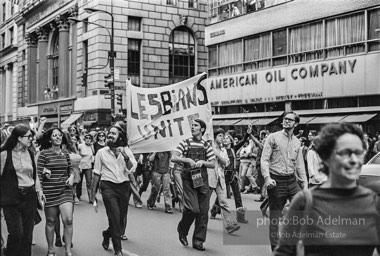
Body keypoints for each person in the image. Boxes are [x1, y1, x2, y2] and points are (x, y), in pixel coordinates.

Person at [273, 122, 380, 256]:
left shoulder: (373, 202)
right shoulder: (305, 201)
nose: (353, 160)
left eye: (358, 152)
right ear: (327, 157)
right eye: (345, 153)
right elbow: (284, 252)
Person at [261, 111, 307, 250]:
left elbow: (299, 165)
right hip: (276, 181)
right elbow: (264, 160)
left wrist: (305, 184)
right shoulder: (273, 137)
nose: (286, 121)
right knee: (274, 218)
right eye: (285, 119)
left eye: (289, 120)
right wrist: (267, 178)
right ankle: (276, 250)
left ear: (296, 124)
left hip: (292, 181)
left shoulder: (297, 141)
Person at [91, 123, 137, 256]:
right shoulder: (101, 152)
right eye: (109, 133)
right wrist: (92, 193)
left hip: (124, 186)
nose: (110, 136)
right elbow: (97, 173)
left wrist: (125, 156)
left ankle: (107, 234)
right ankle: (118, 249)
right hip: (108, 187)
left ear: (120, 137)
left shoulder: (126, 151)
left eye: (113, 134)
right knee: (114, 217)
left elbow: (131, 169)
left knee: (120, 218)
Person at [171, 119, 216, 251]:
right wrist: (187, 160)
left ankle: (198, 241)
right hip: (188, 178)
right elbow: (174, 157)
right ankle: (182, 229)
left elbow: (213, 163)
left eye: (195, 125)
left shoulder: (206, 145)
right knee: (193, 209)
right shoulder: (185, 142)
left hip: (201, 178)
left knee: (203, 211)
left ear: (202, 129)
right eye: (192, 126)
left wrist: (202, 162)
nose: (193, 127)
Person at [0, 124, 45, 256]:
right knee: (16, 234)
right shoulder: (4, 154)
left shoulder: (30, 154)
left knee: (27, 236)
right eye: (29, 137)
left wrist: (39, 192)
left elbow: (35, 176)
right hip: (11, 198)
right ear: (19, 138)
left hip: (29, 197)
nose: (31, 139)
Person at [37, 127, 75, 256]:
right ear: (49, 139)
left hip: (65, 191)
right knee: (51, 221)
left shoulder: (65, 153)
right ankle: (50, 250)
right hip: (49, 192)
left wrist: (71, 177)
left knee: (68, 220)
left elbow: (70, 169)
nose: (58, 137)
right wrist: (40, 192)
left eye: (60, 135)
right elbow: (38, 173)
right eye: (55, 135)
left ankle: (68, 250)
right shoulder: (44, 154)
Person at [209, 128, 240, 234]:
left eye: (223, 136)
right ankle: (201, 223)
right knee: (204, 203)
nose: (222, 138)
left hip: (220, 178)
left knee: (223, 201)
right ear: (215, 137)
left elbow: (225, 163)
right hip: (209, 178)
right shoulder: (208, 147)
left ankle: (230, 225)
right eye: (220, 136)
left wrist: (217, 155)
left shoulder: (223, 150)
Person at [77, 133, 95, 203]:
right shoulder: (80, 146)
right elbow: (76, 154)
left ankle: (91, 198)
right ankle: (78, 195)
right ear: (84, 139)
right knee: (79, 182)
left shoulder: (91, 146)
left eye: (89, 138)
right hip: (80, 166)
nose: (88, 139)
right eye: (86, 138)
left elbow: (93, 155)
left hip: (88, 167)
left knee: (89, 182)